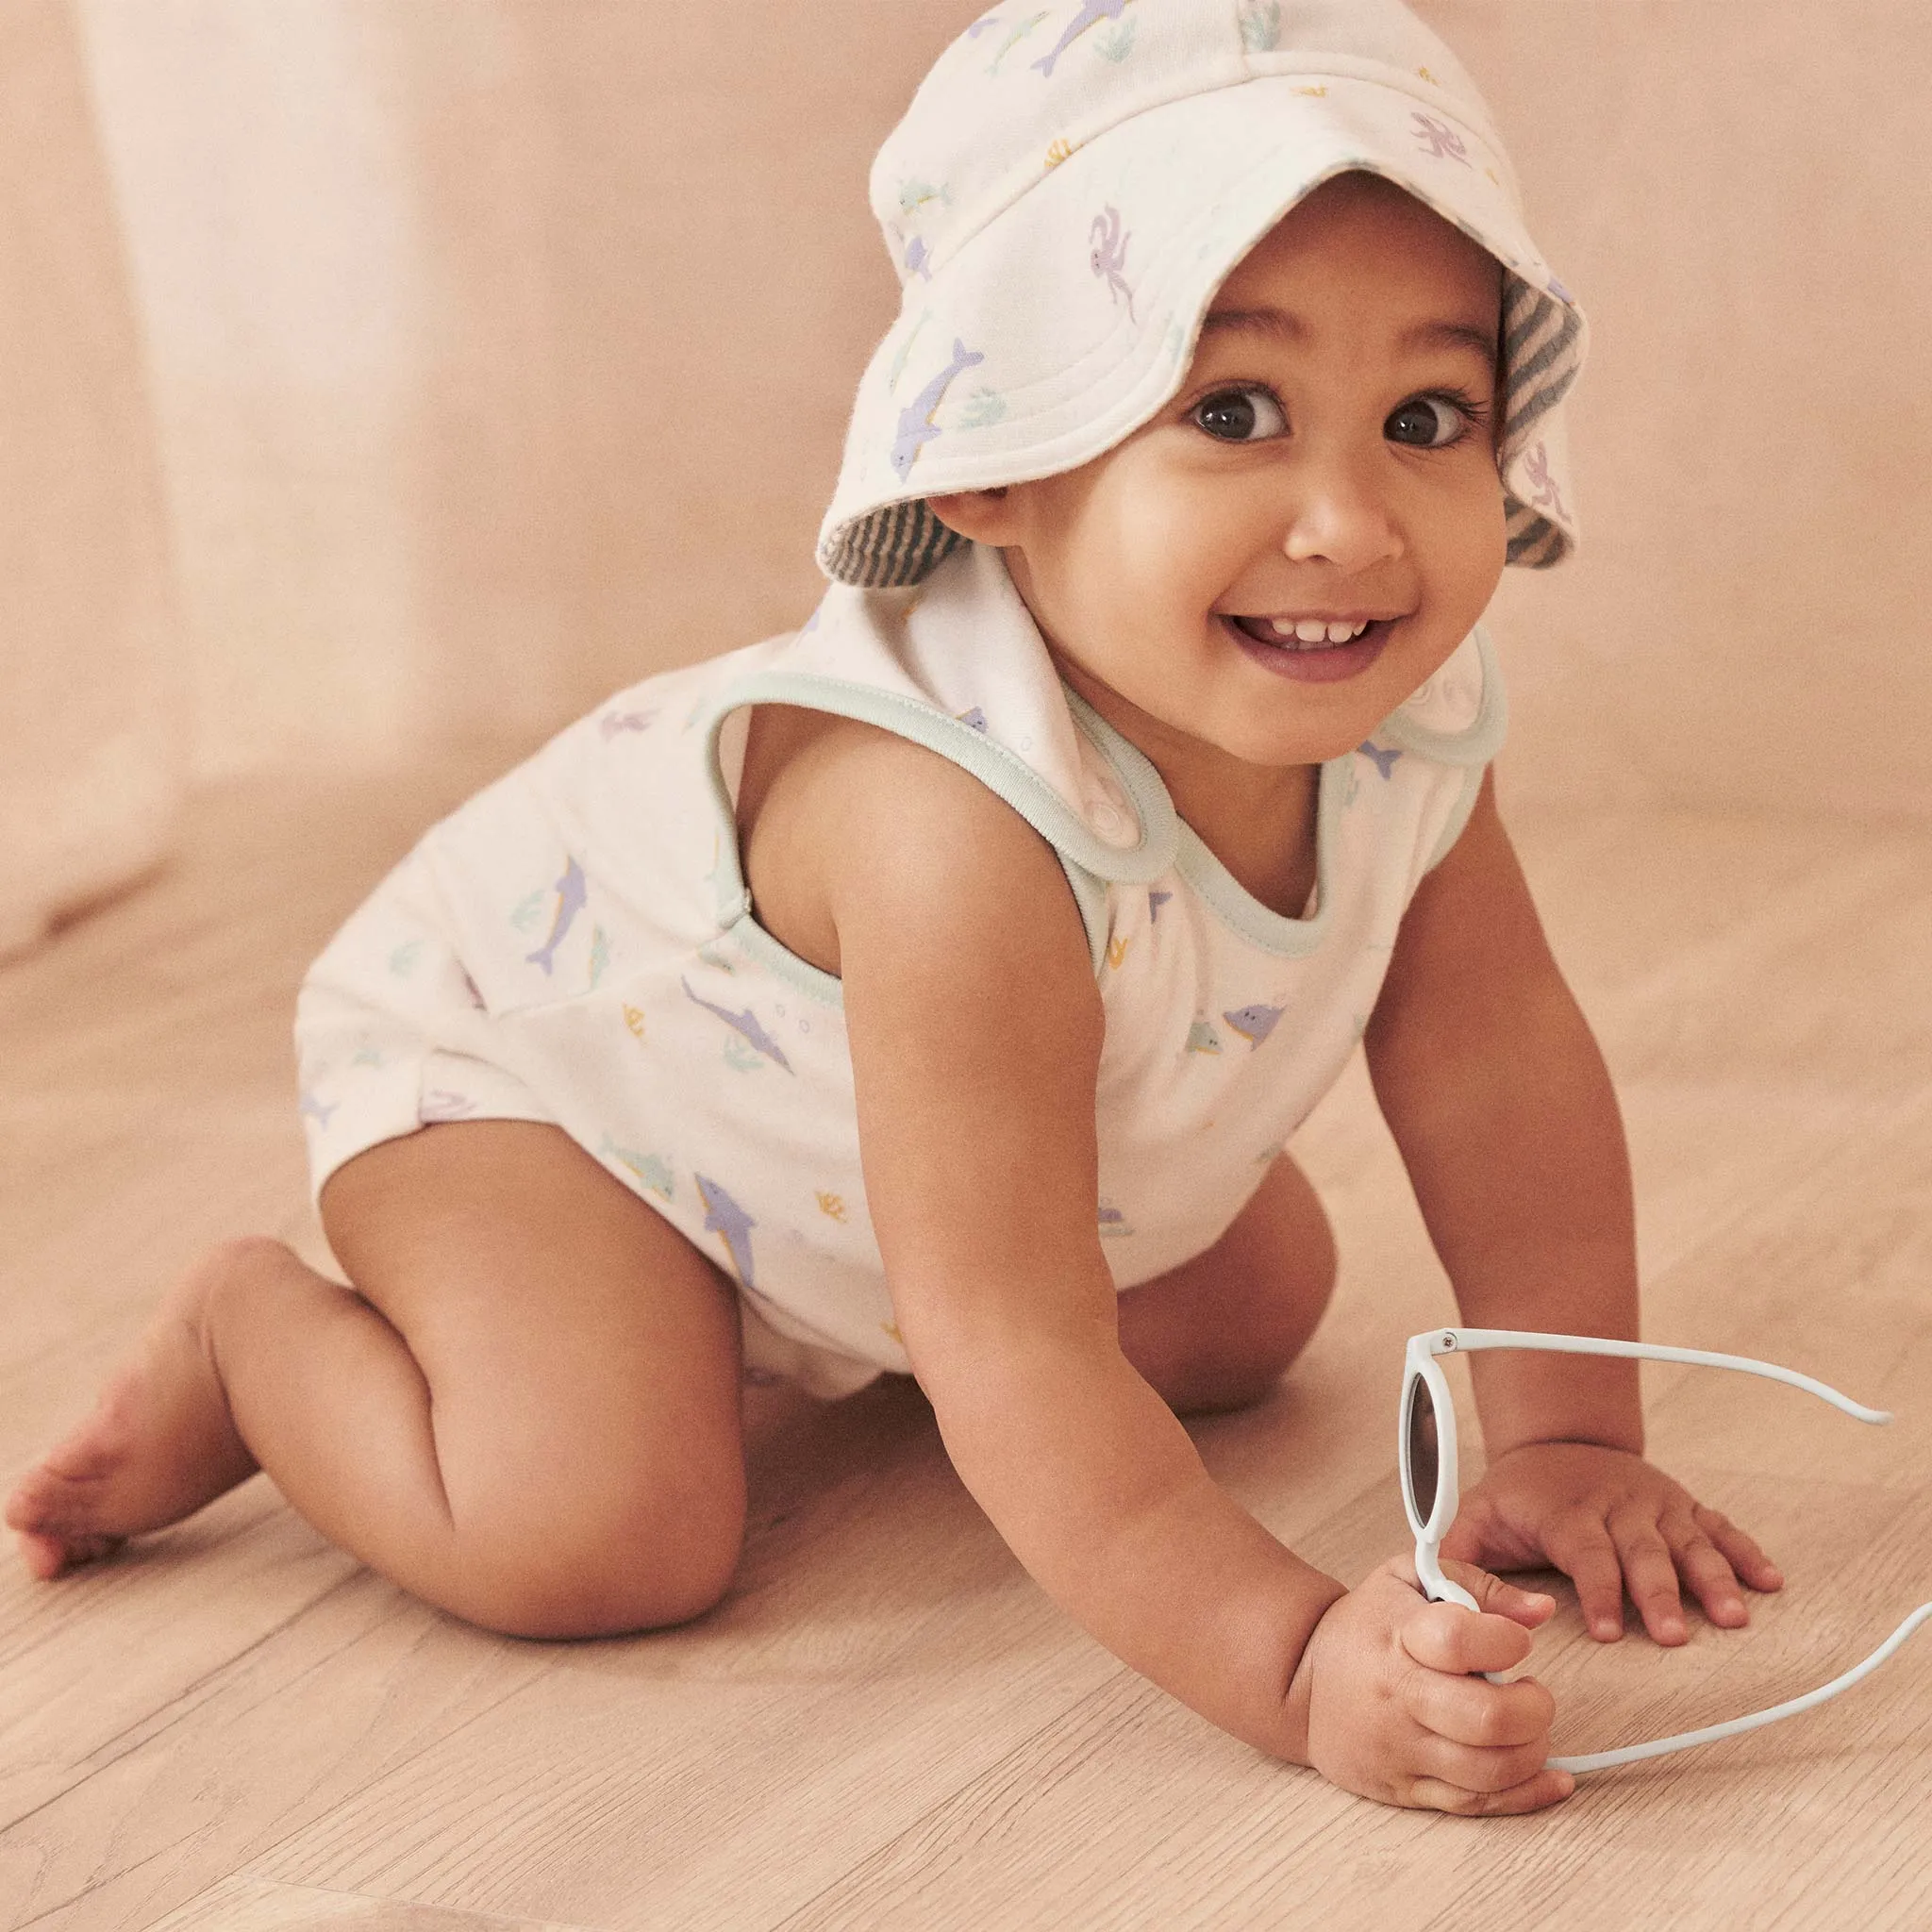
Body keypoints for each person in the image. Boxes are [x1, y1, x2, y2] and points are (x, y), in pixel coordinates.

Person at [7, 0, 1784, 1814]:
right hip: (550, 1088)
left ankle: (824, 1308)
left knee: (1254, 1302)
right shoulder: (951, 831)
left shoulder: (1407, 729)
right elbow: (1013, 1342)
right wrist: (1293, 1659)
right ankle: (252, 1343)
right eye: (1231, 412)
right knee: (598, 1531)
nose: (1347, 519)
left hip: (866, 1152)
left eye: (1427, 417)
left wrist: (1565, 1436)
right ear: (1004, 460)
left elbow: (1496, 1067)